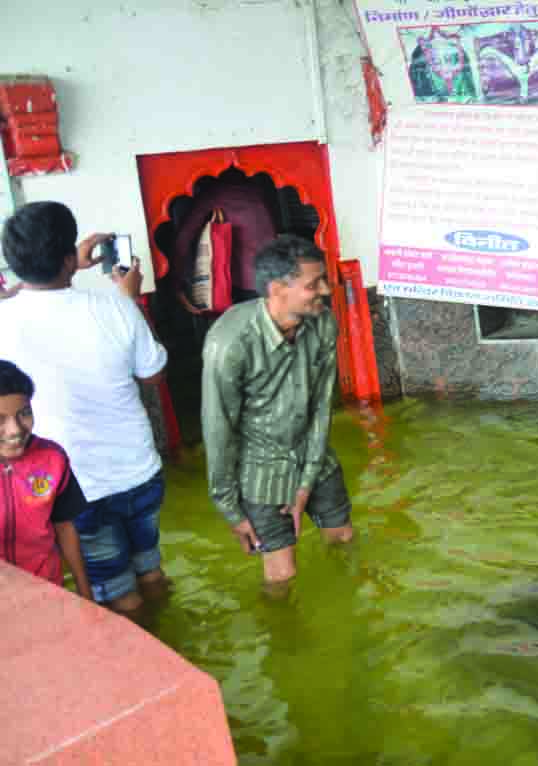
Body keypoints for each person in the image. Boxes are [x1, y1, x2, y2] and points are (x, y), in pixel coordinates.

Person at [0, 201, 169, 613]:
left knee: (116, 591)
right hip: (139, 470)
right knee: (150, 571)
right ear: (67, 257)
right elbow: (153, 374)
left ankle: (148, 668)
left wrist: (62, 267)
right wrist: (127, 299)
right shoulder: (114, 306)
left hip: (77, 485)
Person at [201, 234, 353, 585]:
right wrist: (230, 510)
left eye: (324, 281)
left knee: (343, 540)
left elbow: (321, 409)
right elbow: (218, 427)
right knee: (282, 575)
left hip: (315, 455)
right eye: (313, 284)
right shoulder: (230, 344)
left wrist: (305, 485)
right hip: (261, 470)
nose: (326, 291)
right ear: (277, 289)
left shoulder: (324, 324)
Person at [0, 360, 93, 599]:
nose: (15, 430)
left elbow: (64, 526)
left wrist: (85, 594)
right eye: (0, 419)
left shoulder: (52, 459)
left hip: (47, 593)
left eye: (24, 413)